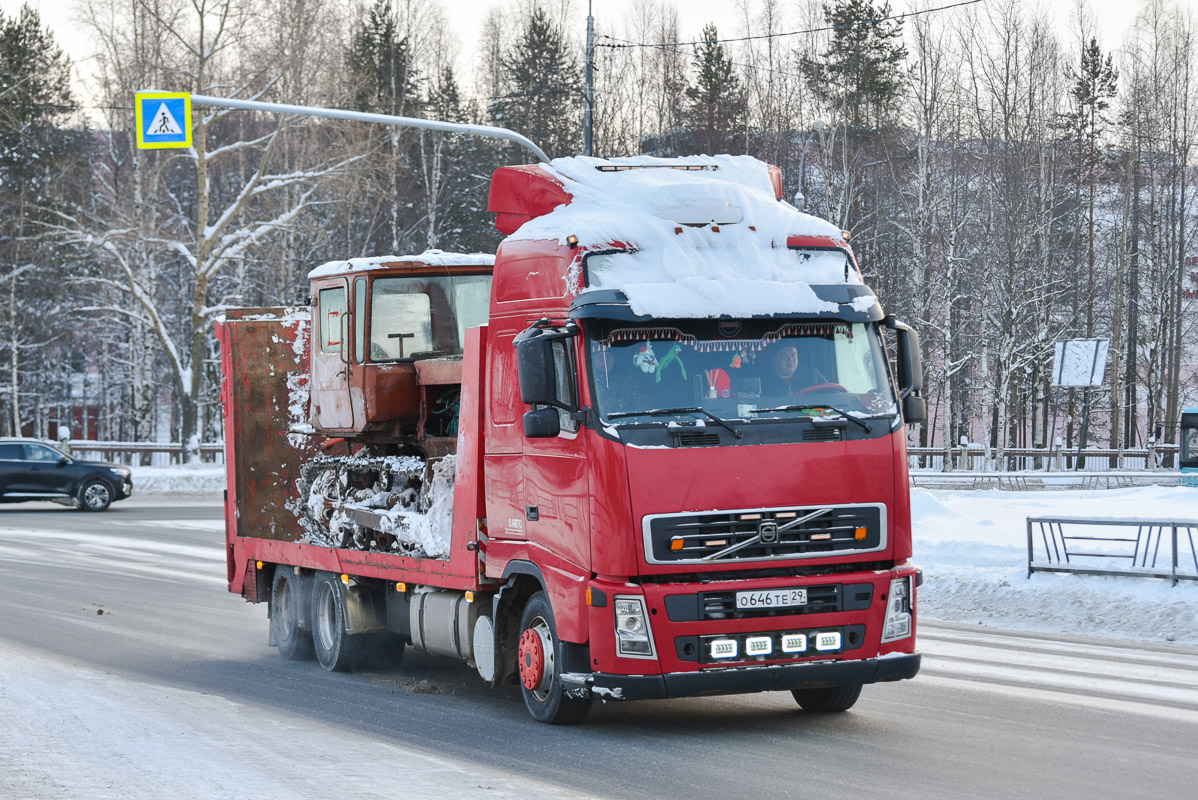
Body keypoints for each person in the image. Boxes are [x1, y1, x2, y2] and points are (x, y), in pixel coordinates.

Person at [759, 341, 825, 395]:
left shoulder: (812, 374)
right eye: (784, 355)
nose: (790, 359)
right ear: (773, 360)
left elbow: (830, 391)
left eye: (793, 355)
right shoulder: (762, 381)